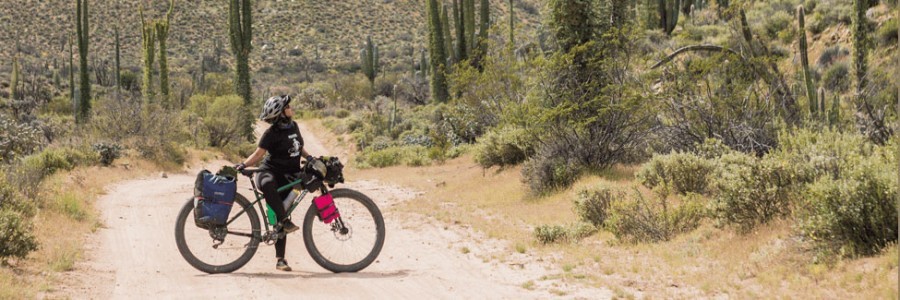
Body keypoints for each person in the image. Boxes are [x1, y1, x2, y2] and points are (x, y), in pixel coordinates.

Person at [234, 95, 315, 272]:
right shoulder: (271, 134)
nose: (291, 108)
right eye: (288, 107)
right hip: (268, 173)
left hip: (289, 177)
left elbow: (297, 146)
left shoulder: (294, 126)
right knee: (274, 196)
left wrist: (310, 158)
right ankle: (284, 221)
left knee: (281, 215)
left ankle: (281, 260)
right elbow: (258, 154)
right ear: (281, 113)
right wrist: (244, 164)